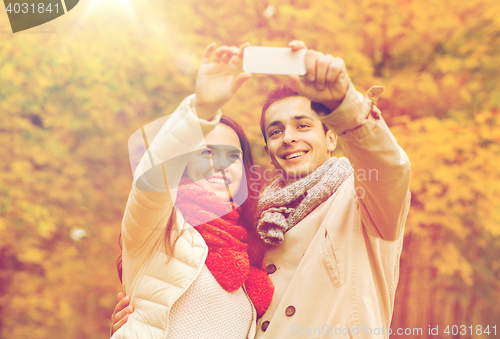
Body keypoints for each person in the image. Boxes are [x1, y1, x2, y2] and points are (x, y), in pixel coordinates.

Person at [112, 40, 411, 339]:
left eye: (303, 125)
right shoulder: (254, 228)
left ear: (332, 137)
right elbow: (151, 183)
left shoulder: (361, 198)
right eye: (276, 131)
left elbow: (390, 170)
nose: (289, 138)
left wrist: (345, 106)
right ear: (268, 150)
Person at [111, 43, 274, 339]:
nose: (221, 166)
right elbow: (154, 175)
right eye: (206, 154)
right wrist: (202, 110)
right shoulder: (158, 224)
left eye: (232, 156)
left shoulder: (252, 248)